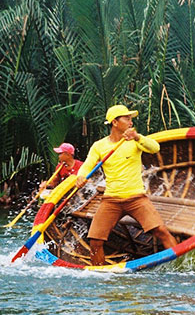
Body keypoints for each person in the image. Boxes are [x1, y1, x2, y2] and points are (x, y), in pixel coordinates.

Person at [76, 105, 178, 266]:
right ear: (115, 122)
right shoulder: (99, 146)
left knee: (161, 231)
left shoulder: (135, 141)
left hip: (136, 197)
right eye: (127, 118)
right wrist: (80, 176)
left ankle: (179, 266)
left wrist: (138, 137)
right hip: (111, 199)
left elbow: (155, 148)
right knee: (95, 241)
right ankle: (99, 275)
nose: (131, 122)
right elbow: (88, 164)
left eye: (131, 119)